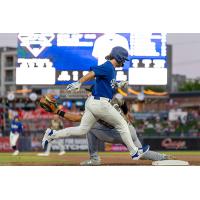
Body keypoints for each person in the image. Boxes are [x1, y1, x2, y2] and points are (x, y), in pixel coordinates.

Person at [42, 46, 150, 160]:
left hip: (93, 102)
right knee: (122, 124)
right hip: (100, 103)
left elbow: (107, 85)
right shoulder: (108, 66)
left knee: (82, 130)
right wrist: (79, 82)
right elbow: (93, 73)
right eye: (123, 59)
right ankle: (134, 152)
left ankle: (52, 134)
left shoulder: (111, 69)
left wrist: (118, 85)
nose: (124, 61)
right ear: (119, 57)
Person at [40, 92, 172, 165]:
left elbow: (75, 119)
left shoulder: (96, 106)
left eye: (89, 94)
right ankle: (163, 157)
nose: (88, 96)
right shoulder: (112, 98)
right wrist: (126, 114)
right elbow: (123, 102)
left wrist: (58, 111)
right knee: (140, 153)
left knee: (87, 127)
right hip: (130, 130)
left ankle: (94, 159)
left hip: (116, 133)